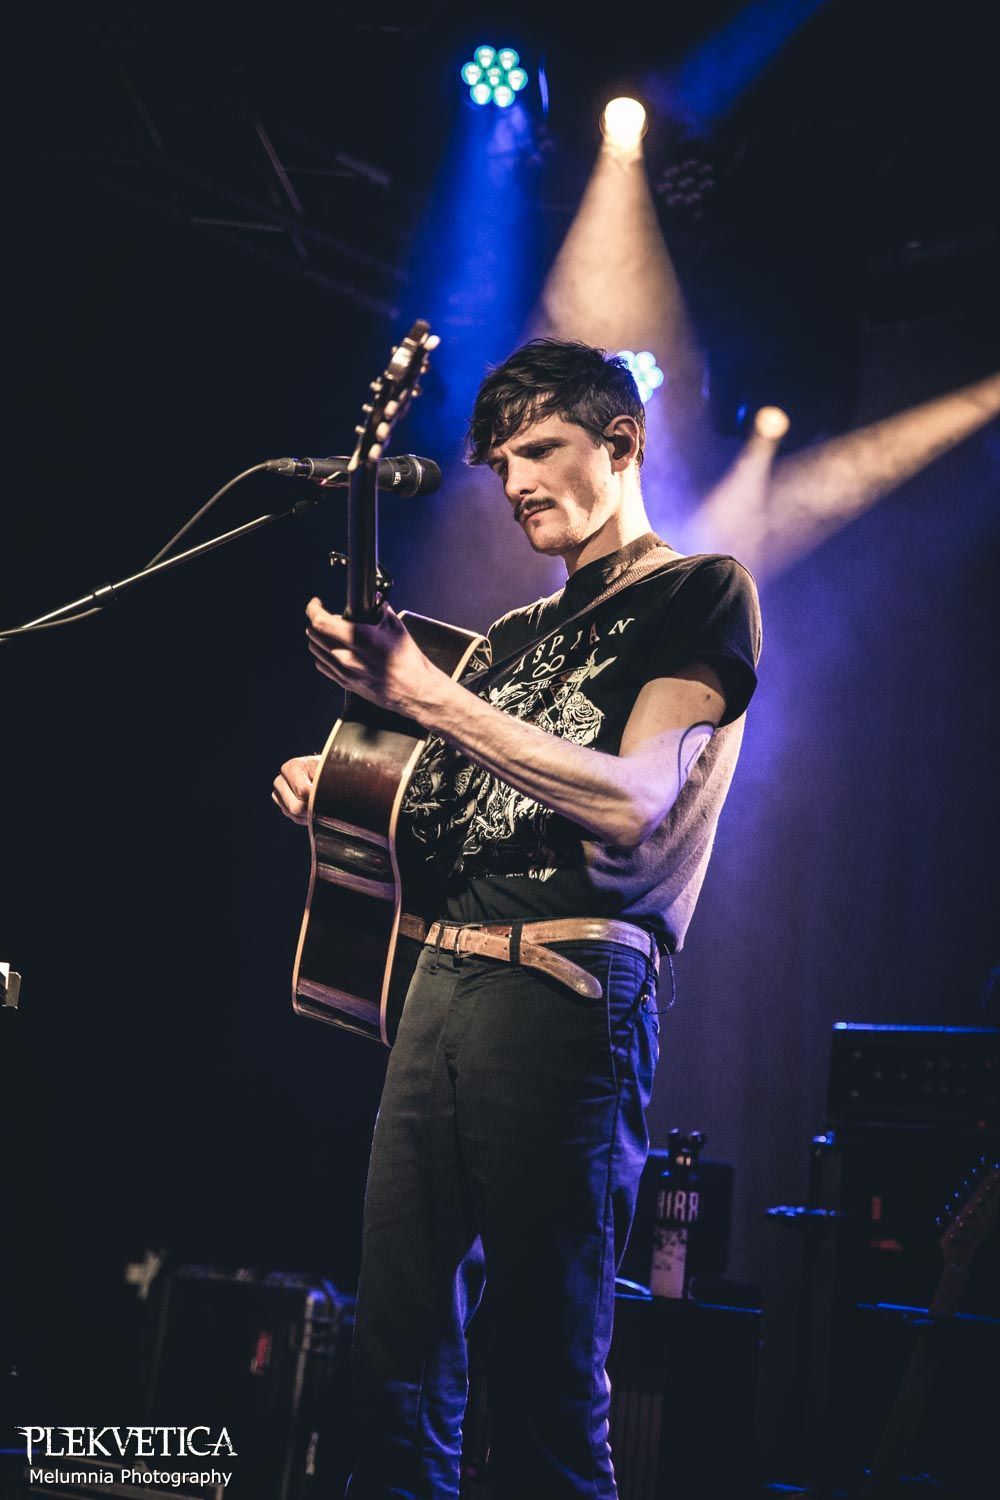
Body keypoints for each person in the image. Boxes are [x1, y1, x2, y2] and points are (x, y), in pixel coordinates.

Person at [272, 339, 762, 1500]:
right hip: (436, 990)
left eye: (540, 449)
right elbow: (450, 820)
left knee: (544, 1367)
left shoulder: (699, 590)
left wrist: (427, 696)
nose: (515, 481)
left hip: (568, 988)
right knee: (392, 1359)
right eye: (500, 463)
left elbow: (631, 803)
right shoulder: (506, 640)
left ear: (622, 442)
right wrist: (341, 789)